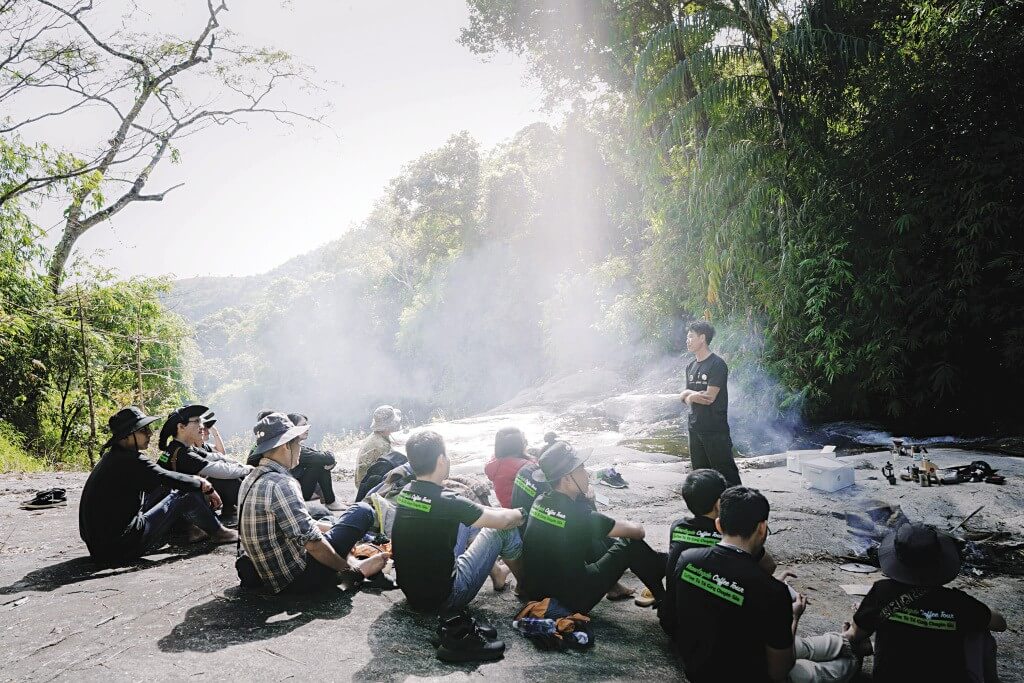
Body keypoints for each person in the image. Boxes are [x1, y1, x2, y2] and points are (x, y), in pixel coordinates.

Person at [671, 486, 858, 683]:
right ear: (761, 528)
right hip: (751, 675)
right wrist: (793, 617)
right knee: (826, 669)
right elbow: (779, 672)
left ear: (718, 525)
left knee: (800, 645)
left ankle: (847, 640)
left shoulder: (687, 560)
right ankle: (854, 659)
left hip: (699, 670)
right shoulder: (772, 592)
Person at [391, 430, 524, 661]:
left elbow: (480, 513)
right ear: (441, 460)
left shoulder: (406, 492)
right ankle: (527, 586)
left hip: (413, 593)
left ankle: (498, 573)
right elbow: (502, 521)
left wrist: (498, 513)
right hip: (446, 597)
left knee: (469, 521)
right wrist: (522, 512)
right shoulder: (448, 501)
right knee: (503, 531)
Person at [239, 413, 388, 593]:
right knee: (363, 511)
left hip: (266, 572)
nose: (300, 449)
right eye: (298, 443)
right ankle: (356, 567)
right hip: (296, 578)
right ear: (286, 445)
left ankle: (350, 556)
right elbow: (314, 545)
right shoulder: (282, 485)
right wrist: (351, 572)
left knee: (322, 515)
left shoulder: (251, 478)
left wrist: (331, 526)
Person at [844, 522, 1006, 683]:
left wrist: (858, 620)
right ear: (940, 560)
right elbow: (1000, 623)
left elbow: (853, 635)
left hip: (890, 677)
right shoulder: (957, 602)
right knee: (980, 629)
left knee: (867, 619)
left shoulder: (882, 592)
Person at [519, 439, 666, 614]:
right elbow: (637, 532)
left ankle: (659, 572)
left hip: (541, 594)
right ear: (567, 479)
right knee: (629, 543)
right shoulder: (579, 515)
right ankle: (665, 594)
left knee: (595, 537)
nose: (586, 473)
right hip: (570, 600)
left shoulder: (540, 501)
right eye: (581, 468)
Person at [79, 406, 236, 566]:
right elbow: (166, 477)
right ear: (127, 436)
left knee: (168, 486)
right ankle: (219, 533)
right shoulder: (132, 461)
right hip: (122, 546)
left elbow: (159, 478)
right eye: (143, 430)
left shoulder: (112, 459)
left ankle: (193, 528)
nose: (150, 434)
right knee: (183, 493)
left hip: (99, 548)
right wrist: (203, 484)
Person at [658, 468, 779, 629]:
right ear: (718, 504)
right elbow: (769, 566)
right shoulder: (729, 534)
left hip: (671, 621)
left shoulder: (677, 527)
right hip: (708, 634)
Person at [158, 404, 251, 525]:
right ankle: (256, 510)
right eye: (197, 421)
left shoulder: (180, 448)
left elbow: (216, 457)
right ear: (181, 427)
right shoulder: (182, 454)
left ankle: (236, 510)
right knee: (226, 480)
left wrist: (240, 465)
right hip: (175, 514)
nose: (202, 426)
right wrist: (249, 469)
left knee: (228, 470)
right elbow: (218, 469)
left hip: (179, 505)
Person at [679, 320, 741, 486]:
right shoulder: (690, 366)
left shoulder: (717, 364)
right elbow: (683, 397)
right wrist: (690, 396)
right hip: (694, 427)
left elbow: (708, 398)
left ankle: (738, 507)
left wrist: (688, 396)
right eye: (687, 337)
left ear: (702, 338)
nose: (688, 340)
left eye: (691, 336)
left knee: (726, 472)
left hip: (715, 429)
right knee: (700, 475)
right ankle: (708, 510)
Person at [286, 413, 343, 512]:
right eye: (302, 425)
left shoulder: (294, 445)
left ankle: (329, 499)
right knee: (319, 464)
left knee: (318, 461)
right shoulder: (295, 449)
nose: (307, 428)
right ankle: (331, 502)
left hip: (295, 490)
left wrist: (326, 459)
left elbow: (320, 455)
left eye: (306, 425)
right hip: (294, 495)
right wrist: (327, 460)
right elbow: (328, 458)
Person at [484, 426, 533, 509]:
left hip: (507, 508)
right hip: (523, 511)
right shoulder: (526, 466)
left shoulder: (494, 463)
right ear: (519, 445)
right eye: (524, 441)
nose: (527, 443)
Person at [355, 405, 402, 487]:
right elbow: (391, 470)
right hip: (368, 487)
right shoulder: (382, 446)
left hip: (363, 483)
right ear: (389, 425)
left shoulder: (375, 436)